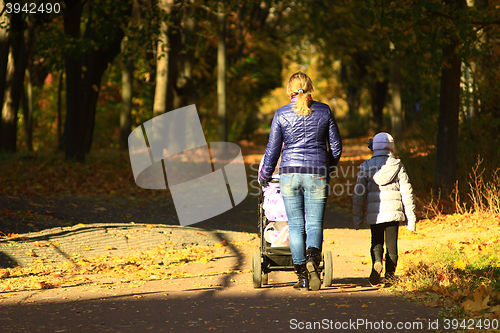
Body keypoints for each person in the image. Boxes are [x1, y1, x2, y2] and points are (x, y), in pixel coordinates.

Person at [259, 72, 342, 291]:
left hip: (289, 174)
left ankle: (302, 277)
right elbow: (336, 147)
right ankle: (313, 259)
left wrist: (264, 174)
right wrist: (327, 169)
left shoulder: (281, 113)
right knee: (314, 223)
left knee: (296, 225)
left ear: (289, 91)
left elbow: (273, 150)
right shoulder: (324, 111)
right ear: (311, 88)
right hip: (317, 173)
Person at [352, 132, 416, 286]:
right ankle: (389, 276)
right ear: (391, 147)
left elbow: (358, 194)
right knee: (392, 244)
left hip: (376, 213)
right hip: (394, 213)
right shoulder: (398, 166)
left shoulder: (366, 167)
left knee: (376, 241)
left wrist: (358, 219)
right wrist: (411, 219)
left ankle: (376, 262)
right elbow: (407, 193)